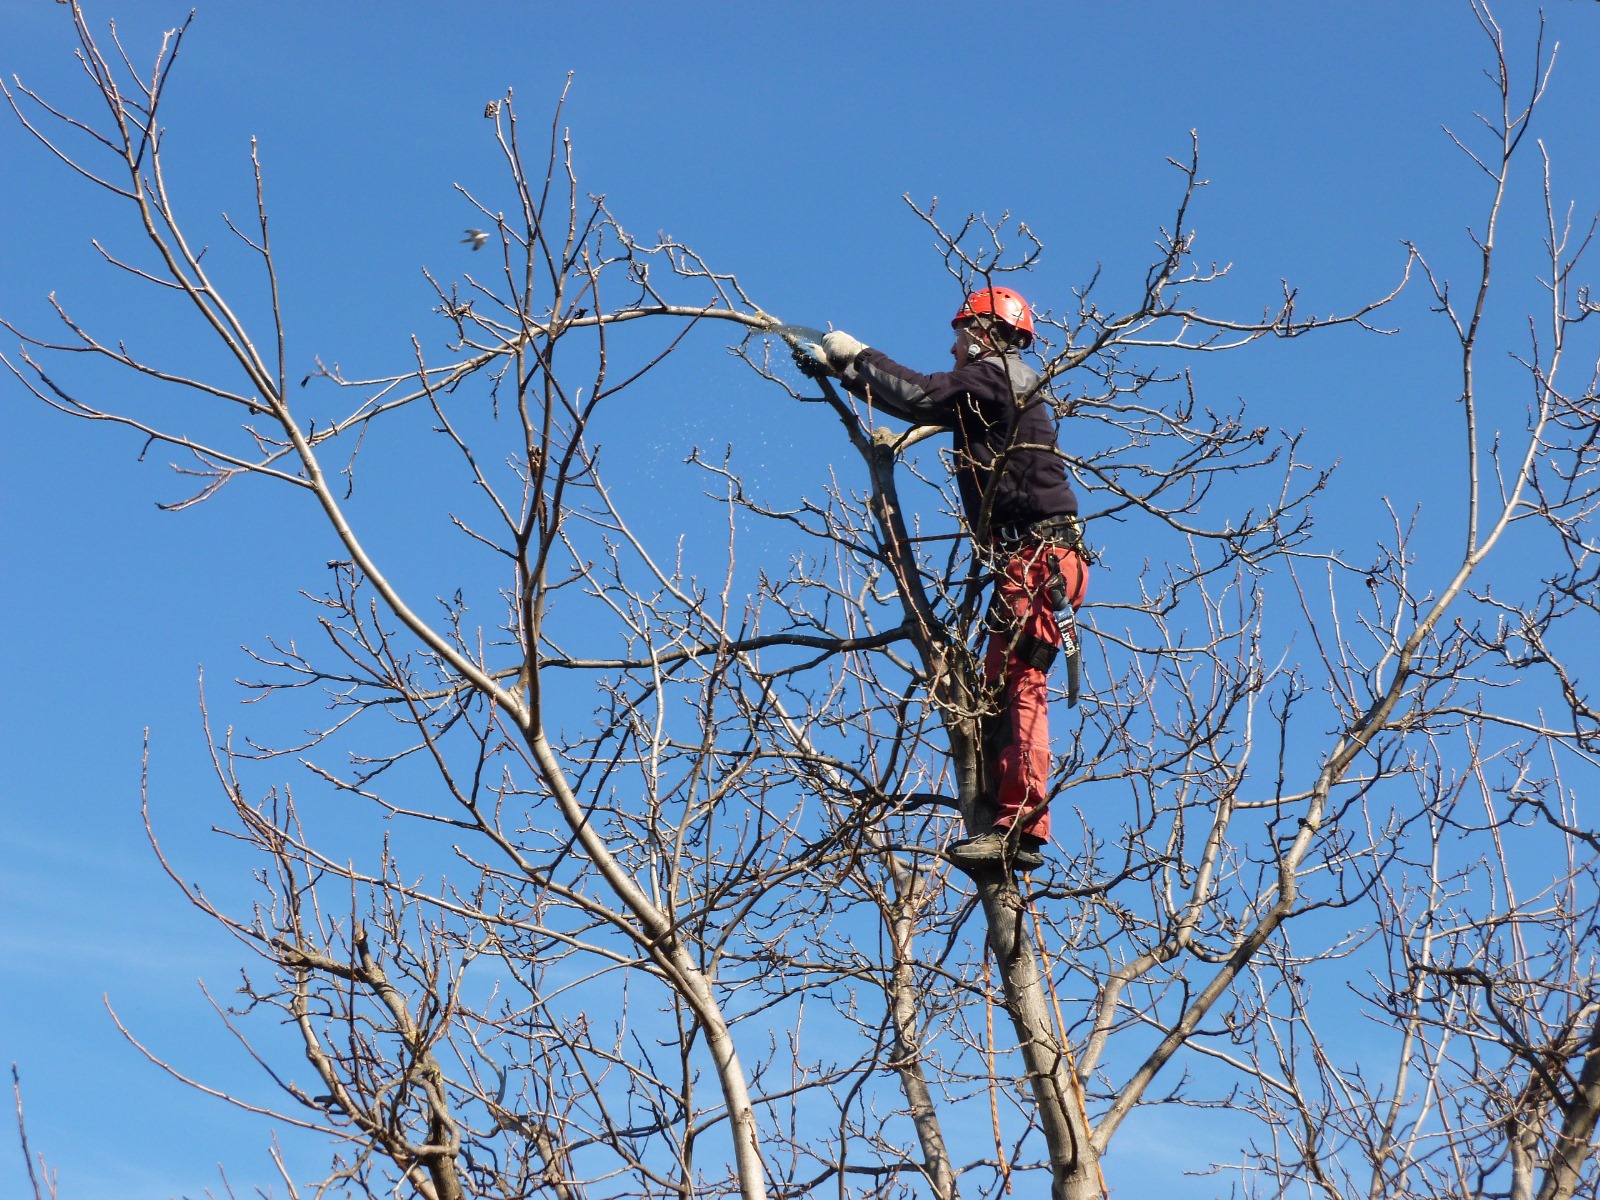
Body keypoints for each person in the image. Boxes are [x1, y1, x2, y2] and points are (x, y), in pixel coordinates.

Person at [795, 286, 1089, 872]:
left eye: (960, 333)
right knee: (994, 690)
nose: (953, 346)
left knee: (1019, 686)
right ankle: (997, 809)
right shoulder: (997, 387)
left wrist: (855, 357)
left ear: (985, 333)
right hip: (1029, 558)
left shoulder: (995, 374)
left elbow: (921, 397)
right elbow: (929, 405)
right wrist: (844, 373)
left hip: (1036, 559)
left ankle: (1021, 828)